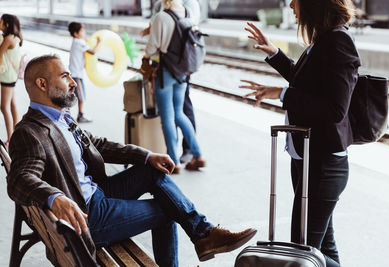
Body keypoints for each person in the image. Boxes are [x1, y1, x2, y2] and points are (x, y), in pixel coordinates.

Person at [7, 54, 257, 266]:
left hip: (97, 194)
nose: (73, 82)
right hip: (87, 216)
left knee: (153, 172)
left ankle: (204, 234)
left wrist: (147, 156)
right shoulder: (30, 132)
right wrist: (54, 197)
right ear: (41, 84)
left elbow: (98, 145)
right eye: (64, 77)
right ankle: (204, 235)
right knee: (168, 210)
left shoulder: (61, 117)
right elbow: (19, 179)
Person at [240, 0, 360, 266]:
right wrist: (274, 53)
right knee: (321, 249)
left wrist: (281, 94)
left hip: (324, 164)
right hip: (307, 160)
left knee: (302, 251)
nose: (292, 5)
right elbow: (305, 80)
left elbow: (335, 108)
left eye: (296, 0)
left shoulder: (338, 41)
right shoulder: (324, 39)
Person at [141, 0, 206, 173]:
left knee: (167, 118)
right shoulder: (188, 13)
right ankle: (198, 154)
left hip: (165, 71)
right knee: (179, 113)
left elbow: (152, 48)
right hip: (182, 72)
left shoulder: (161, 17)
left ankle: (174, 161)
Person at [68, 21, 100, 123]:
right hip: (77, 74)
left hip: (74, 73)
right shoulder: (79, 42)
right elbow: (93, 52)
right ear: (76, 34)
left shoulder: (76, 41)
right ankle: (80, 115)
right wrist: (99, 43)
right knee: (80, 97)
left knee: (71, 95)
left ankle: (70, 114)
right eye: (82, 30)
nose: (84, 32)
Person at [0, 14, 22, 148]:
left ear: (7, 25)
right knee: (12, 104)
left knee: (4, 106)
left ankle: (10, 140)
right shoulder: (15, 37)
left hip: (7, 76)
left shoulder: (8, 39)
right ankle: (16, 135)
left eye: (1, 22)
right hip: (12, 75)